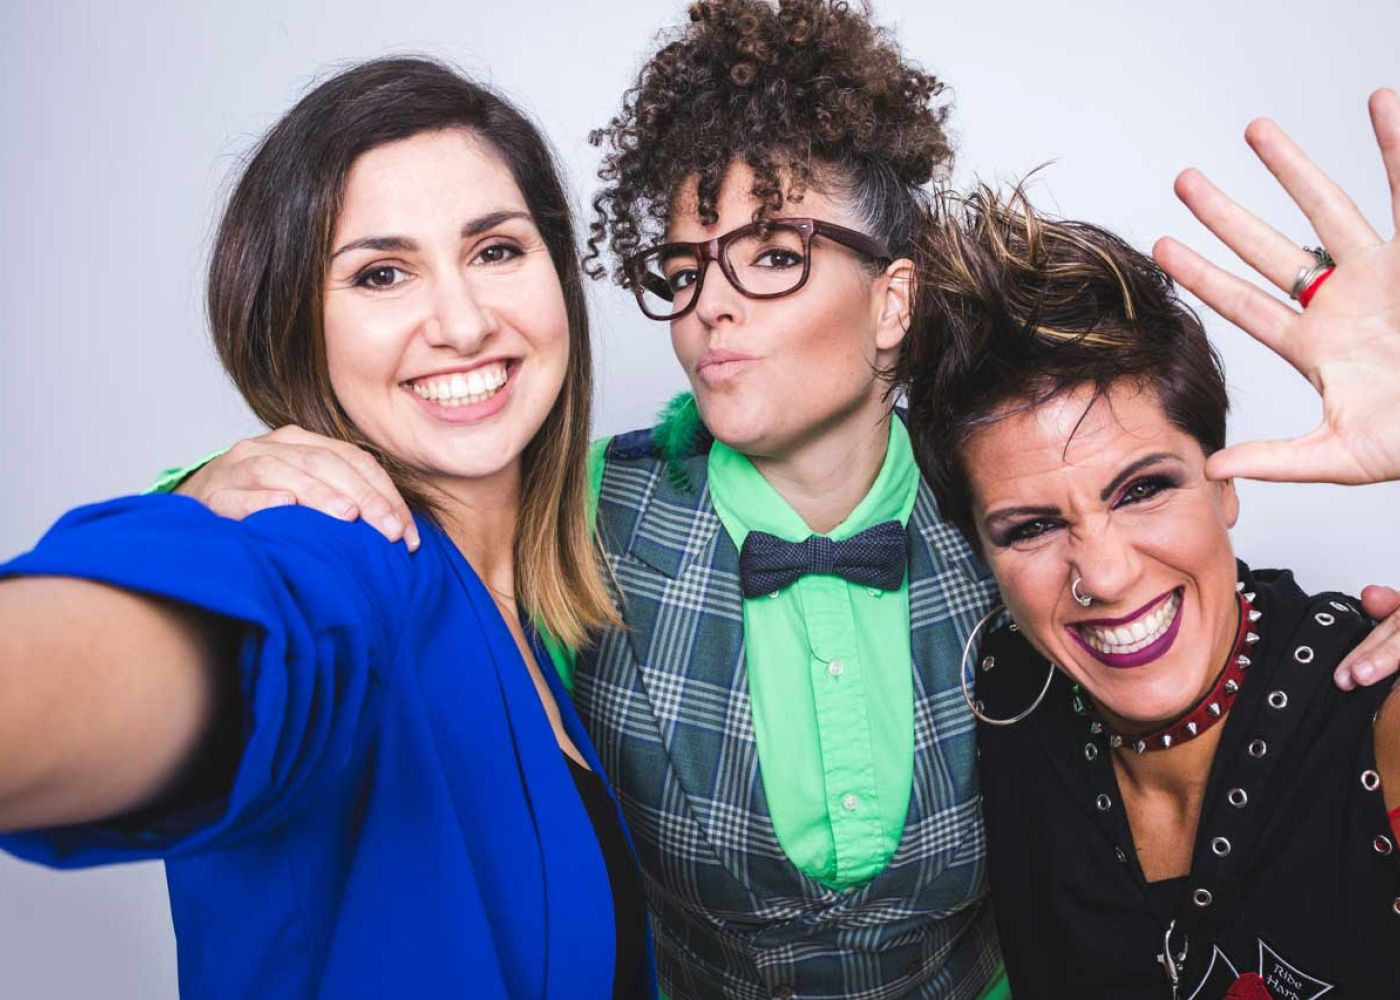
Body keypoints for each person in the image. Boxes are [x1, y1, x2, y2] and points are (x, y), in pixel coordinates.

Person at [159, 5, 1400, 998]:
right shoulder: (564, 513)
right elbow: (337, 570)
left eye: (770, 254)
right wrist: (206, 493)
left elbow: (1196, 650)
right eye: (681, 267)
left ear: (893, 302)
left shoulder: (1010, 513)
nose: (708, 304)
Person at [0, 57, 654, 999]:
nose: (463, 323)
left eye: (496, 251)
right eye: (382, 274)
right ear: (295, 324)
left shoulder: (539, 601)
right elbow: (238, 643)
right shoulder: (342, 556)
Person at [897, 89, 1400, 997]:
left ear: (1224, 481)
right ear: (978, 553)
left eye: (1142, 489)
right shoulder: (1000, 696)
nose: (1105, 572)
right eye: (1032, 528)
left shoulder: (1375, 713)